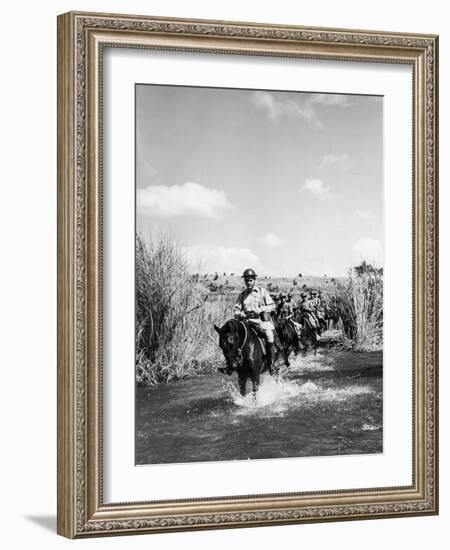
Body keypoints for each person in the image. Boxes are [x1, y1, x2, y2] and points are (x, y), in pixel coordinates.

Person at [233, 268, 276, 373]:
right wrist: (240, 314)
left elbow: (272, 305)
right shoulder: (242, 295)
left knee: (269, 335)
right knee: (233, 338)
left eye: (251, 280)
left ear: (254, 280)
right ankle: (232, 364)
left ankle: (271, 363)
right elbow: (236, 310)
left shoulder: (262, 291)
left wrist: (261, 309)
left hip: (260, 322)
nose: (249, 282)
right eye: (246, 280)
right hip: (246, 323)